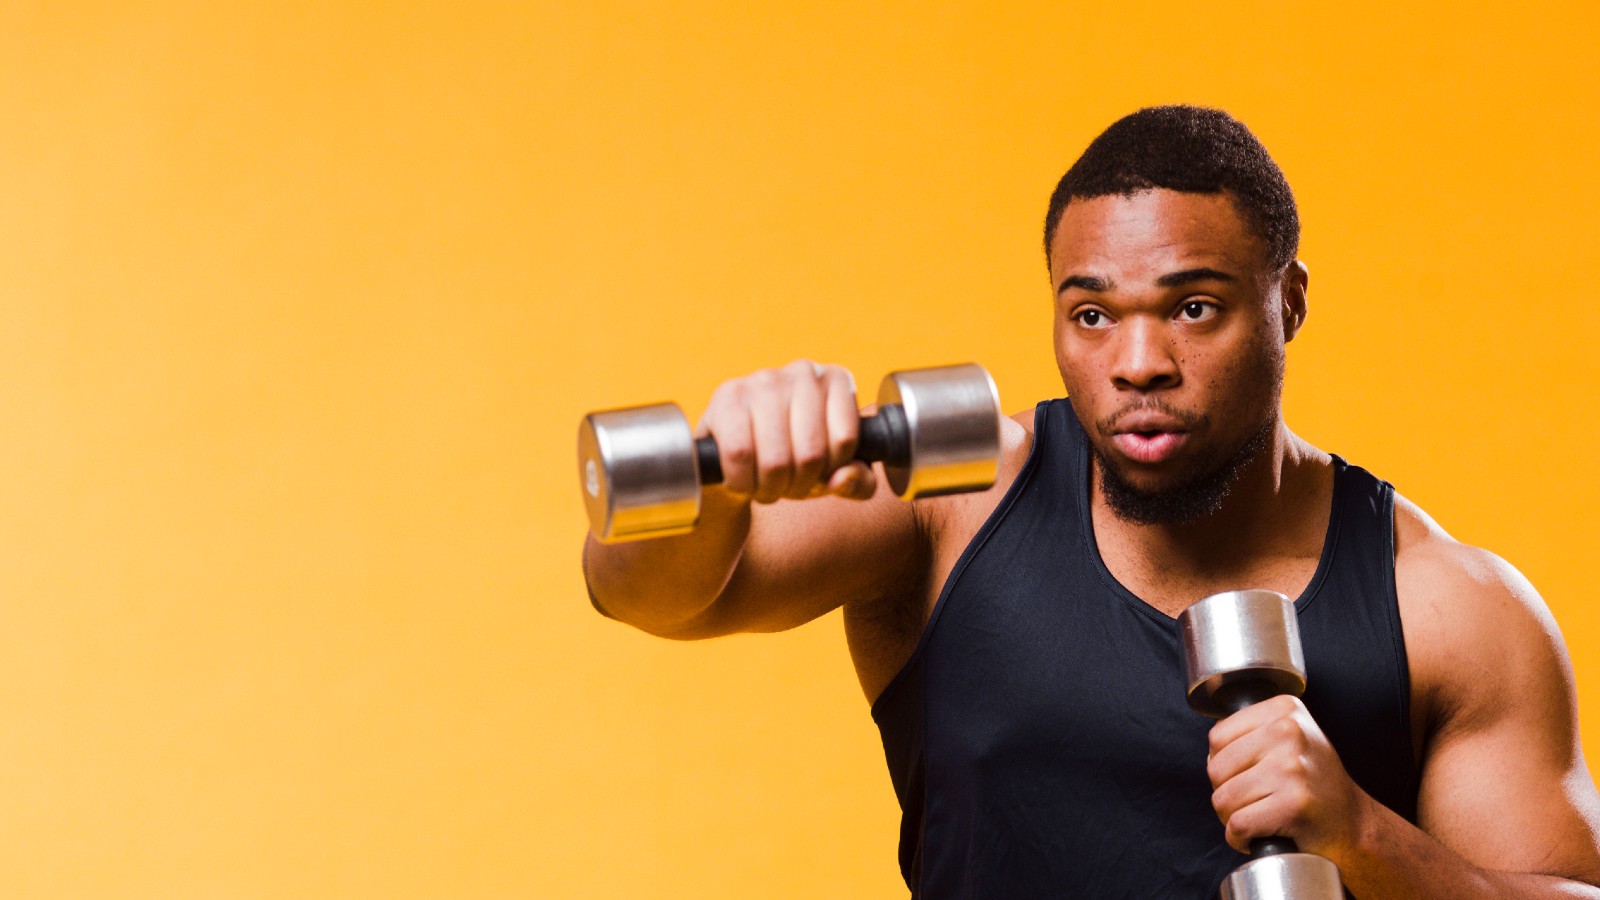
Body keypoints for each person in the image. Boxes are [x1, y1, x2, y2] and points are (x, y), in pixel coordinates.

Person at [582, 106, 1600, 898]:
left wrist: (1362, 837)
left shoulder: (1443, 606)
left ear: (1286, 300)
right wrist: (719, 474)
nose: (1137, 364)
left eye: (1192, 308)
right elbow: (654, 597)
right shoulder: (959, 502)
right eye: (1092, 315)